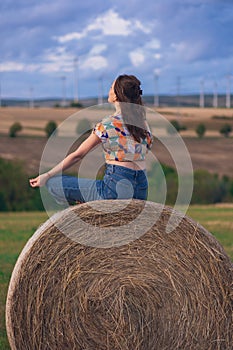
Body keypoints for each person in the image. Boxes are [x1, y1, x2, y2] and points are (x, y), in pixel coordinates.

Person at [29, 74, 153, 204]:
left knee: (54, 183)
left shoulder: (108, 124)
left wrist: (47, 175)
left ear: (117, 94)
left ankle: (83, 209)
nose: (109, 90)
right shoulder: (143, 125)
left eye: (111, 87)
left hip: (113, 192)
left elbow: (78, 155)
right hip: (140, 191)